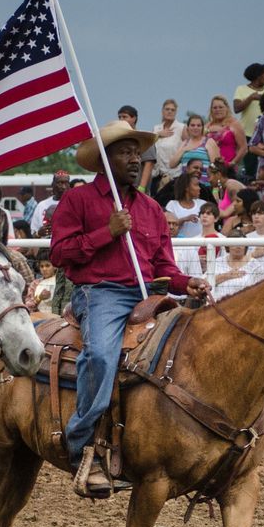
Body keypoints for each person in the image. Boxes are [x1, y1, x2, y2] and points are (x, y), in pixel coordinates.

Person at [49, 119, 209, 497]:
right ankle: (81, 443)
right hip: (99, 293)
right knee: (102, 356)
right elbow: (59, 254)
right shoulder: (78, 200)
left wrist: (189, 283)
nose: (135, 159)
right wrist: (108, 232)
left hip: (148, 294)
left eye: (137, 152)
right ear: (106, 160)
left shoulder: (152, 209)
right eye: (125, 152)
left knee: (191, 347)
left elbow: (164, 268)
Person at [204, 95, 248, 173]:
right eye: (215, 108)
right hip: (208, 168)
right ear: (211, 110)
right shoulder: (207, 126)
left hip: (227, 168)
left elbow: (243, 148)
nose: (218, 110)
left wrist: (233, 163)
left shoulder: (234, 124)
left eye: (220, 107)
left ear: (227, 108)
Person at [28, 170, 73, 237]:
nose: (63, 187)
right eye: (59, 183)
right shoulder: (42, 205)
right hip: (46, 246)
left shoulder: (75, 204)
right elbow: (33, 234)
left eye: (66, 183)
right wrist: (39, 233)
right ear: (52, 184)